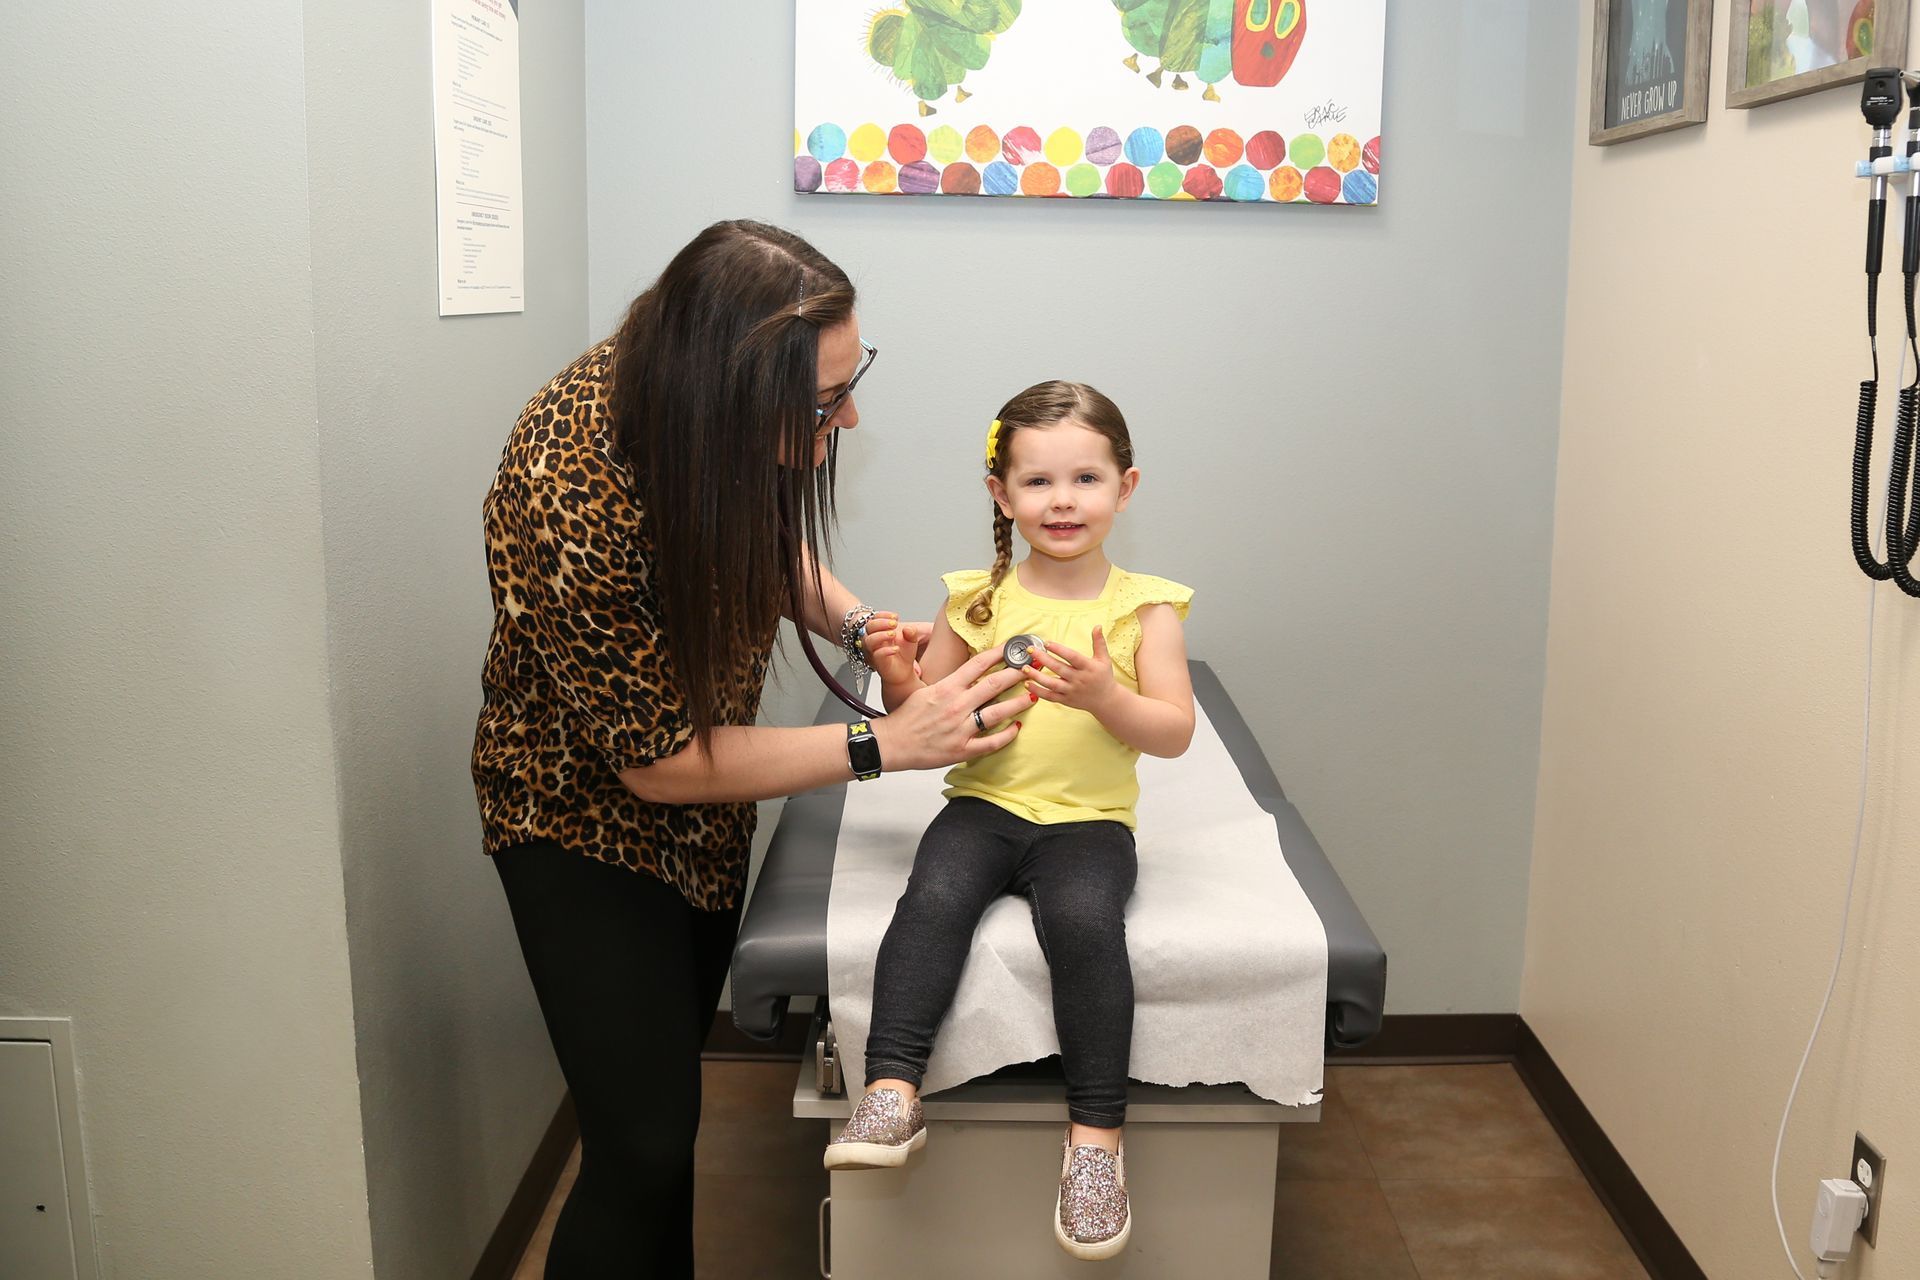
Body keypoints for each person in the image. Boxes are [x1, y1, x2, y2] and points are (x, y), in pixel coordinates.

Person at [471, 220, 1029, 1278]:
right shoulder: (569, 477)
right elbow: (655, 761)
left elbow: (762, 545)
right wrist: (883, 744)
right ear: (731, 384)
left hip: (705, 809)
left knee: (664, 1124)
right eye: (825, 400)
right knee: (637, 1143)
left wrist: (865, 626)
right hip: (579, 817)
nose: (848, 415)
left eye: (848, 379)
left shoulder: (703, 409)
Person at [822, 380, 1196, 1261]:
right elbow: (928, 711)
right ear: (1002, 494)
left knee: (1083, 924)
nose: (1062, 501)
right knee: (933, 897)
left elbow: (1173, 733)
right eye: (1037, 482)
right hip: (983, 806)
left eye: (1085, 479)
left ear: (1125, 488)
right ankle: (891, 1092)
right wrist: (896, 671)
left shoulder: (1147, 610)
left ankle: (1096, 1145)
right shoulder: (973, 600)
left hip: (1089, 824)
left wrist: (1108, 695)